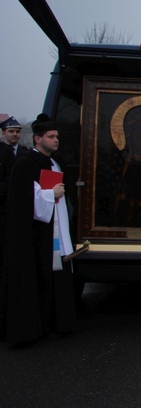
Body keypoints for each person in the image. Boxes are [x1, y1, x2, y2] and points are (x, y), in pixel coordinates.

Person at [0, 114, 76, 346]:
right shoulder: (25, 163)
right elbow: (25, 200)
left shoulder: (53, 163)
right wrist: (50, 195)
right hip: (34, 235)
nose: (56, 141)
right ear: (37, 138)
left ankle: (56, 322)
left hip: (53, 232)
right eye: (51, 137)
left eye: (57, 137)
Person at [0, 116, 30, 267]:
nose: (15, 134)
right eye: (11, 131)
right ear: (3, 133)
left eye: (17, 131)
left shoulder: (25, 152)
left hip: (20, 203)